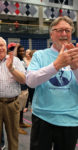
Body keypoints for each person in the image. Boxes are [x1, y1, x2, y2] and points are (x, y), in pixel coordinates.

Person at [26, 16, 78, 150]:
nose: (64, 34)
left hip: (70, 118)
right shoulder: (40, 55)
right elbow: (30, 81)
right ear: (51, 33)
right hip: (43, 117)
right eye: (59, 30)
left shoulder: (76, 55)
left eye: (67, 30)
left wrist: (76, 68)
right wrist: (56, 65)